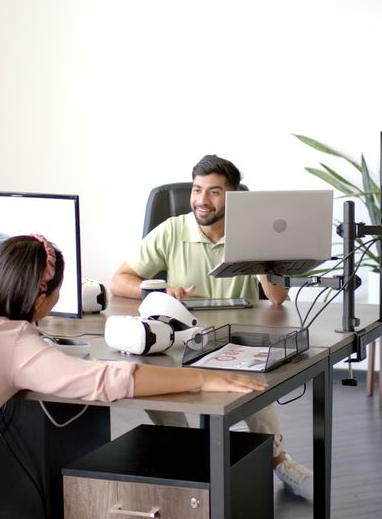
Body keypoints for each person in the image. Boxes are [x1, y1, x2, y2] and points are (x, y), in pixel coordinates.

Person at [0, 234, 265, 518]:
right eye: (55, 297)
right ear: (41, 296)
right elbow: (108, 380)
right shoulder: (12, 342)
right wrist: (201, 379)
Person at [110, 154, 313, 498]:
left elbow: (277, 298)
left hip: (236, 342)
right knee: (151, 384)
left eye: (214, 192)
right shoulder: (173, 230)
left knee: (256, 390)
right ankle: (187, 456)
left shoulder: (249, 233)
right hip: (180, 342)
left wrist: (259, 250)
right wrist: (156, 289)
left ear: (232, 197)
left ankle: (277, 459)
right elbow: (119, 280)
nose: (202, 200)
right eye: (197, 189)